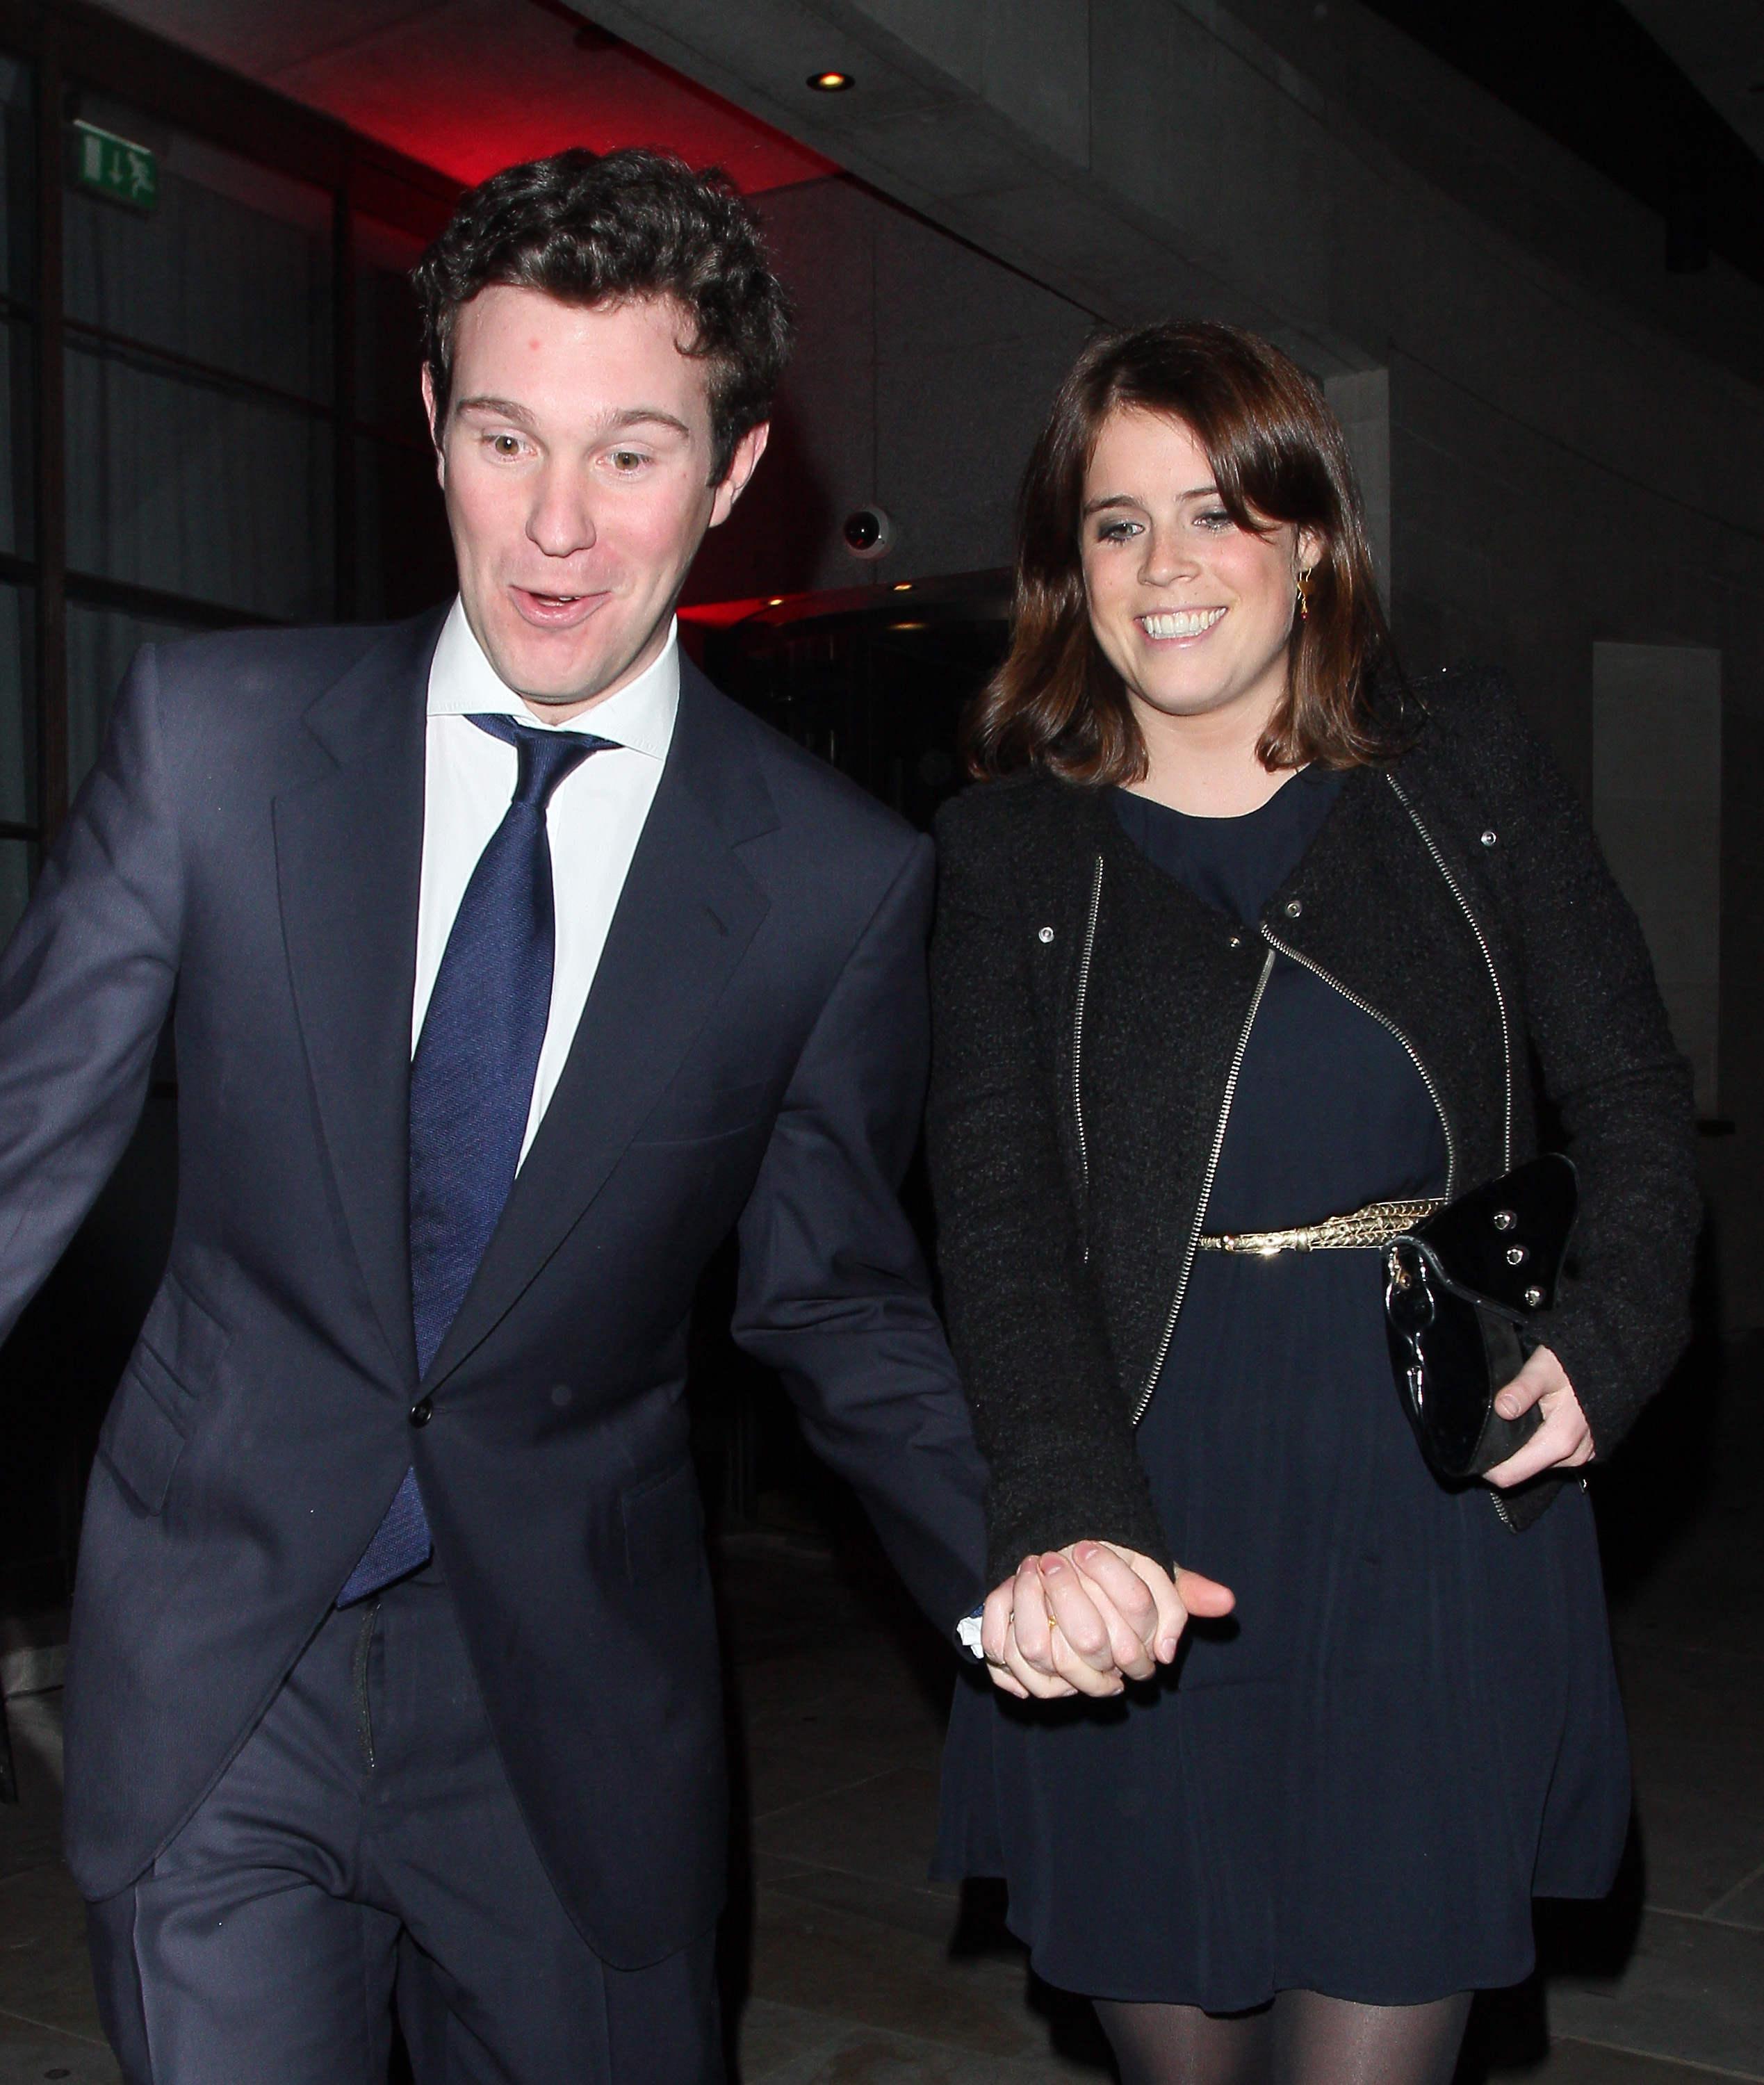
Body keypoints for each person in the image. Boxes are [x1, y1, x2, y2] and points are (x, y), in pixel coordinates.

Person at [0, 147, 1056, 2084]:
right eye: (504, 439)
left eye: (633, 454)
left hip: (568, 1710)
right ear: (429, 420)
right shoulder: (216, 741)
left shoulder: (832, 883)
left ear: (737, 475)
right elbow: (19, 1147)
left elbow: (829, 1297)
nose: (556, 528)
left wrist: (1014, 1554)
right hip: (226, 1669)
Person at [925, 320, 1699, 2085]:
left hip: (1425, 1502)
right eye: (1115, 526)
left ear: (1308, 536)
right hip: (1143, 1518)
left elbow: (1637, 1096)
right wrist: (1060, 1507)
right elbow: (1000, 1218)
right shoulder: (1009, 857)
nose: (1168, 567)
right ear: (1068, 570)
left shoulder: (1458, 774)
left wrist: (1612, 1333)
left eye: (1215, 510)